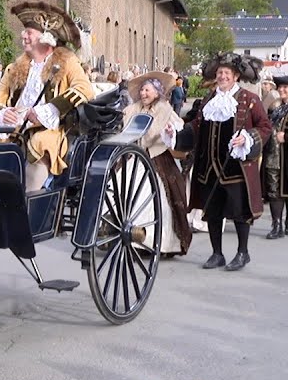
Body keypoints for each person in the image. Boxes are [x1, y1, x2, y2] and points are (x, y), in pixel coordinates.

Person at [0, 1, 94, 194]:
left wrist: (49, 110)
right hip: (14, 130)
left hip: (50, 130)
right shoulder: (14, 68)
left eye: (29, 32)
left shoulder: (67, 62)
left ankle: (28, 206)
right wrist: (2, 113)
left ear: (46, 38)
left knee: (40, 143)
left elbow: (85, 89)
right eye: (25, 31)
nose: (23, 35)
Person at [179, 52, 273, 271]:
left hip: (236, 167)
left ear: (236, 76)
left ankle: (243, 253)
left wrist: (248, 138)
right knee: (213, 211)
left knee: (240, 212)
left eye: (226, 73)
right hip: (209, 166)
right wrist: (177, 133)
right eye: (219, 72)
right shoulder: (208, 100)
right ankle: (217, 254)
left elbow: (265, 126)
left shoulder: (249, 100)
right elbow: (197, 126)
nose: (222, 76)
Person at [123, 71, 191, 257]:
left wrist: (171, 132)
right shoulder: (133, 109)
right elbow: (126, 132)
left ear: (156, 92)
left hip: (157, 157)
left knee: (158, 198)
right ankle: (127, 235)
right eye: (142, 90)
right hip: (135, 157)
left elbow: (178, 129)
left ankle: (154, 241)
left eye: (147, 90)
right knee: (125, 192)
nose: (143, 94)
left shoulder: (164, 109)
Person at [262, 75, 288, 239]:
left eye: (286, 87)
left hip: (286, 157)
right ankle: (276, 225)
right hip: (273, 156)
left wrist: (285, 137)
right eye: (280, 87)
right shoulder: (277, 109)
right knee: (273, 192)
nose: (282, 90)